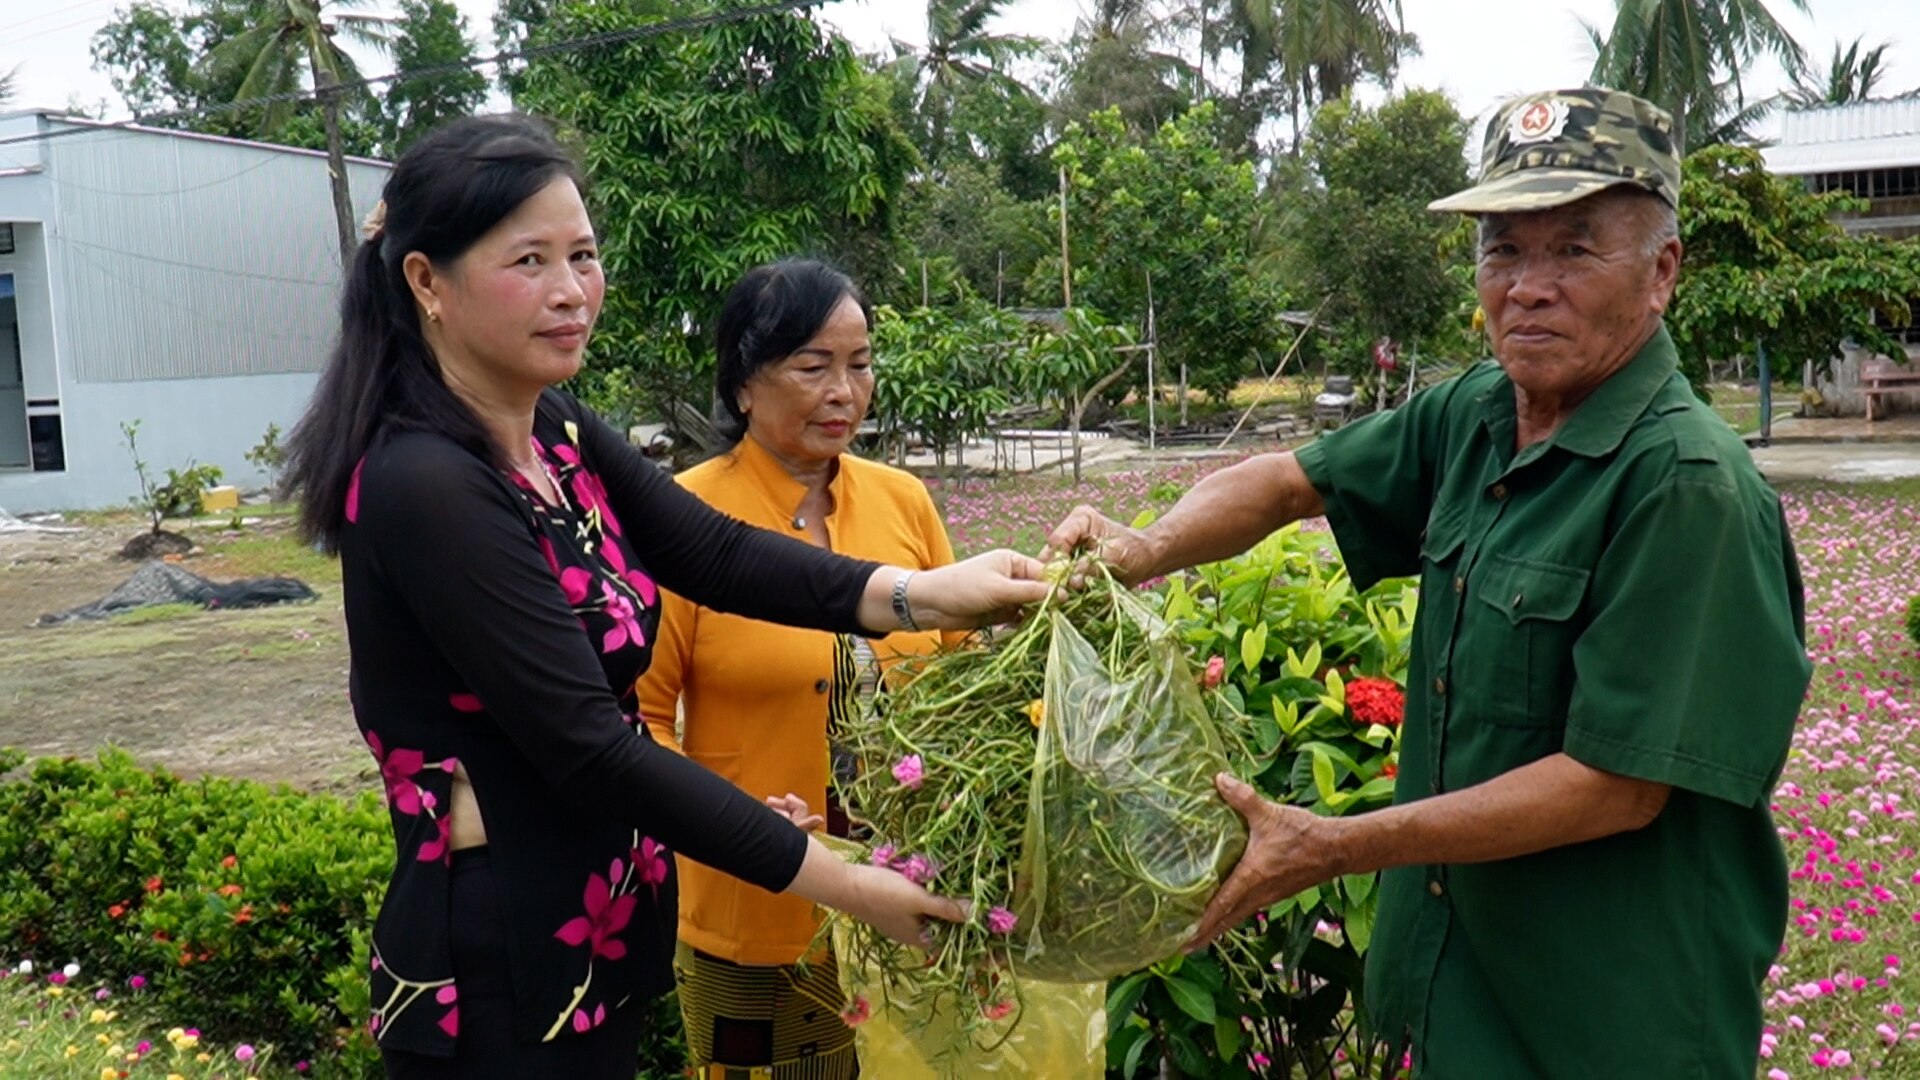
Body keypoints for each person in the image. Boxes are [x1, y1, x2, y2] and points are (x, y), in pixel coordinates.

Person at [1045, 89, 1811, 1078]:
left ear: (1661, 271)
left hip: (1611, 1016)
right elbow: (1288, 483)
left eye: (1575, 251)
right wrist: (1143, 549)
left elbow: (1615, 786)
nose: (1529, 286)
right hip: (1464, 991)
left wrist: (1331, 843)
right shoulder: (1480, 413)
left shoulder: (1685, 486)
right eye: (1504, 250)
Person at [280, 114, 1050, 1080]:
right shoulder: (423, 482)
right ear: (426, 281)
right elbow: (592, 747)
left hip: (594, 920)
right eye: (529, 260)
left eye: (583, 255)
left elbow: (714, 553)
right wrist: (846, 883)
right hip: (500, 953)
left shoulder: (550, 426)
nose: (571, 292)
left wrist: (927, 593)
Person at [636, 257, 961, 1079]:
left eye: (860, 365)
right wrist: (735, 824)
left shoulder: (903, 502)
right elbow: (634, 723)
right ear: (743, 383)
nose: (844, 391)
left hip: (912, 896)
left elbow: (961, 678)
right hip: (756, 904)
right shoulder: (683, 517)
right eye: (813, 366)